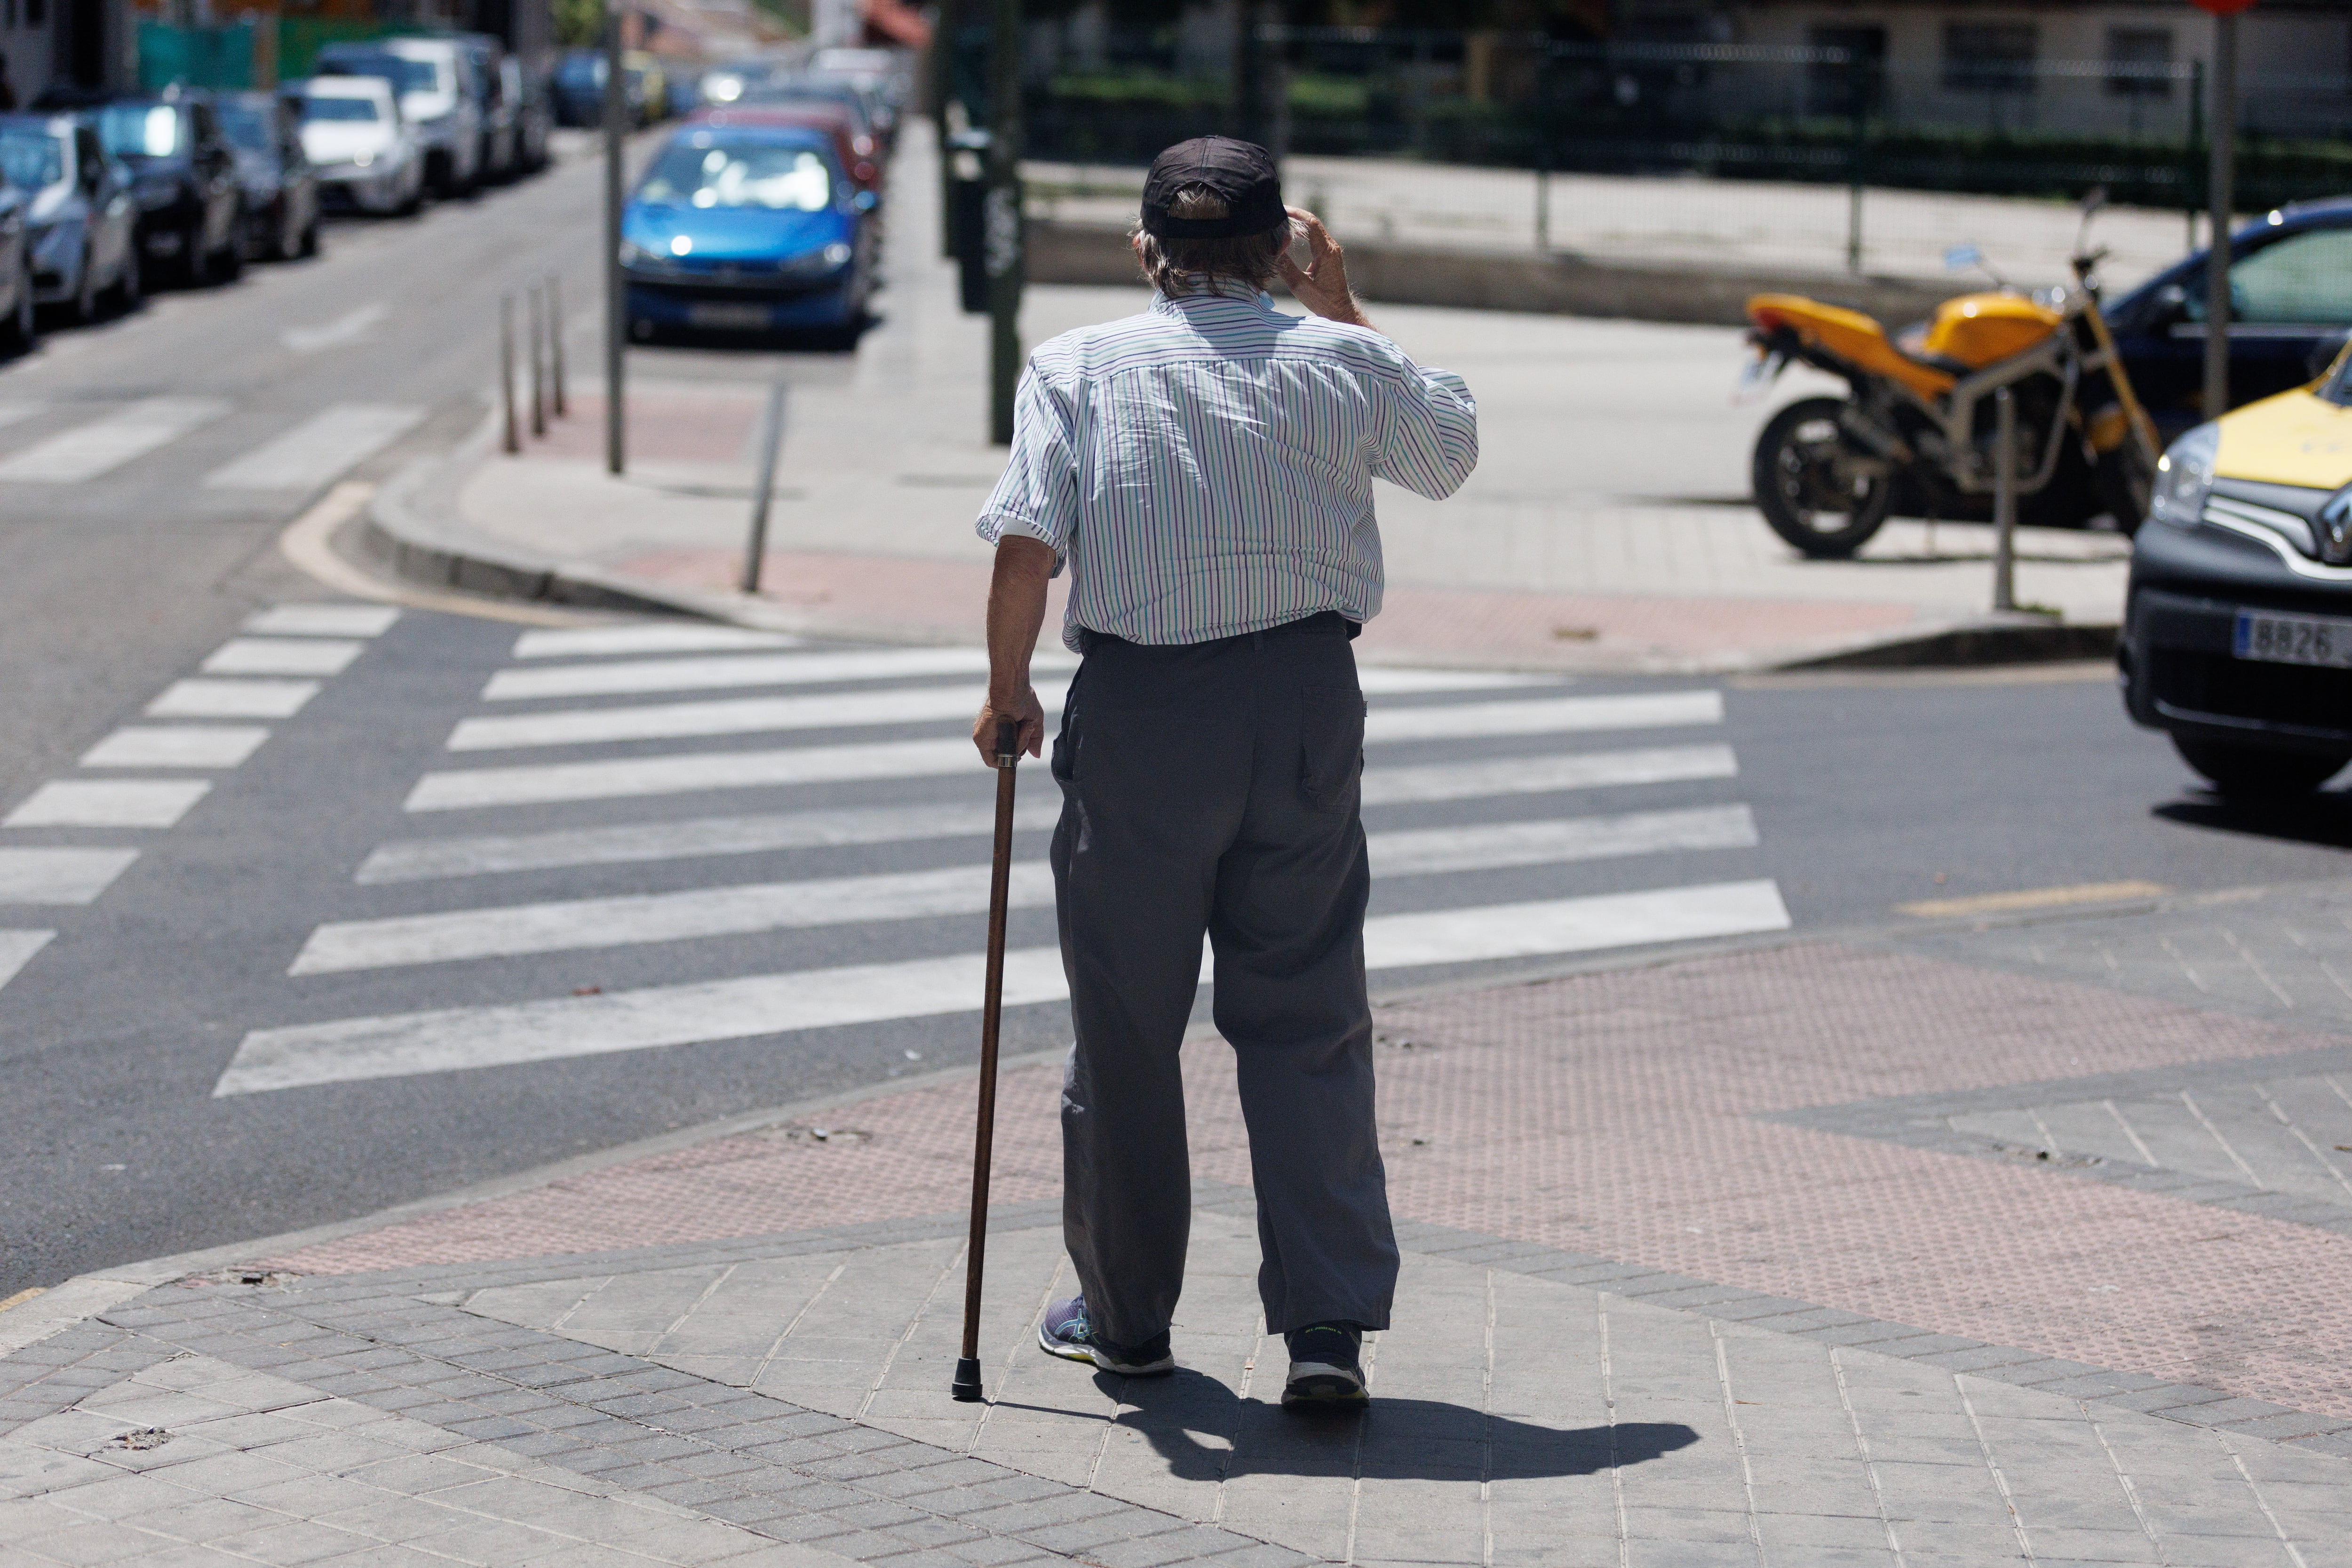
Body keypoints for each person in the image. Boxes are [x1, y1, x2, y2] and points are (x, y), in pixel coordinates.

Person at [970, 135, 1478, 1409]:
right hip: (1304, 705)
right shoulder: (1341, 358)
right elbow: (1447, 455)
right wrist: (1339, 302)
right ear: (1282, 250)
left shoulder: (1077, 365)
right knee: (1307, 1018)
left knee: (1127, 1029)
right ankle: (1325, 1326)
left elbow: (1028, 539)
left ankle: (1127, 1317)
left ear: (1147, 251)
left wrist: (1009, 689)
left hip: (1142, 716)